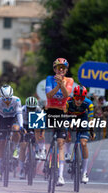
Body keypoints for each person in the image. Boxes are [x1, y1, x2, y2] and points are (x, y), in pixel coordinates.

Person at [45, 58, 74, 186]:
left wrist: (62, 84)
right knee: (39, 128)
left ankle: (61, 176)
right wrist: (57, 85)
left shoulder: (70, 80)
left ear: (66, 70)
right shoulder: (49, 79)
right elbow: (49, 95)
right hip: (51, 111)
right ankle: (43, 151)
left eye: (63, 68)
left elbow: (66, 94)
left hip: (62, 112)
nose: (61, 70)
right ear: (55, 69)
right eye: (58, 67)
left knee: (61, 142)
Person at [0, 84, 24, 180]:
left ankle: (15, 148)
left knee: (16, 129)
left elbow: (19, 114)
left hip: (13, 118)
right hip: (2, 119)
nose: (7, 101)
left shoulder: (17, 100)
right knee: (0, 143)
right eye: (5, 99)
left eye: (9, 99)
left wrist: (21, 126)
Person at [66, 86, 95, 183]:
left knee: (83, 143)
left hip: (83, 118)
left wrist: (91, 131)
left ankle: (84, 172)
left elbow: (90, 119)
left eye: (81, 98)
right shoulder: (68, 102)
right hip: (70, 117)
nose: (79, 101)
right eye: (77, 98)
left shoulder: (89, 104)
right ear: (74, 96)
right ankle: (67, 153)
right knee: (66, 135)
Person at [18, 96, 46, 179]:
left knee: (39, 133)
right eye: (29, 108)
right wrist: (22, 132)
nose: (31, 109)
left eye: (32, 108)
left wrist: (42, 134)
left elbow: (42, 125)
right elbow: (20, 124)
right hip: (25, 125)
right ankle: (22, 169)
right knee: (23, 146)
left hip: (35, 124)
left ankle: (41, 150)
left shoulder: (39, 110)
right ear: (26, 107)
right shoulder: (22, 110)